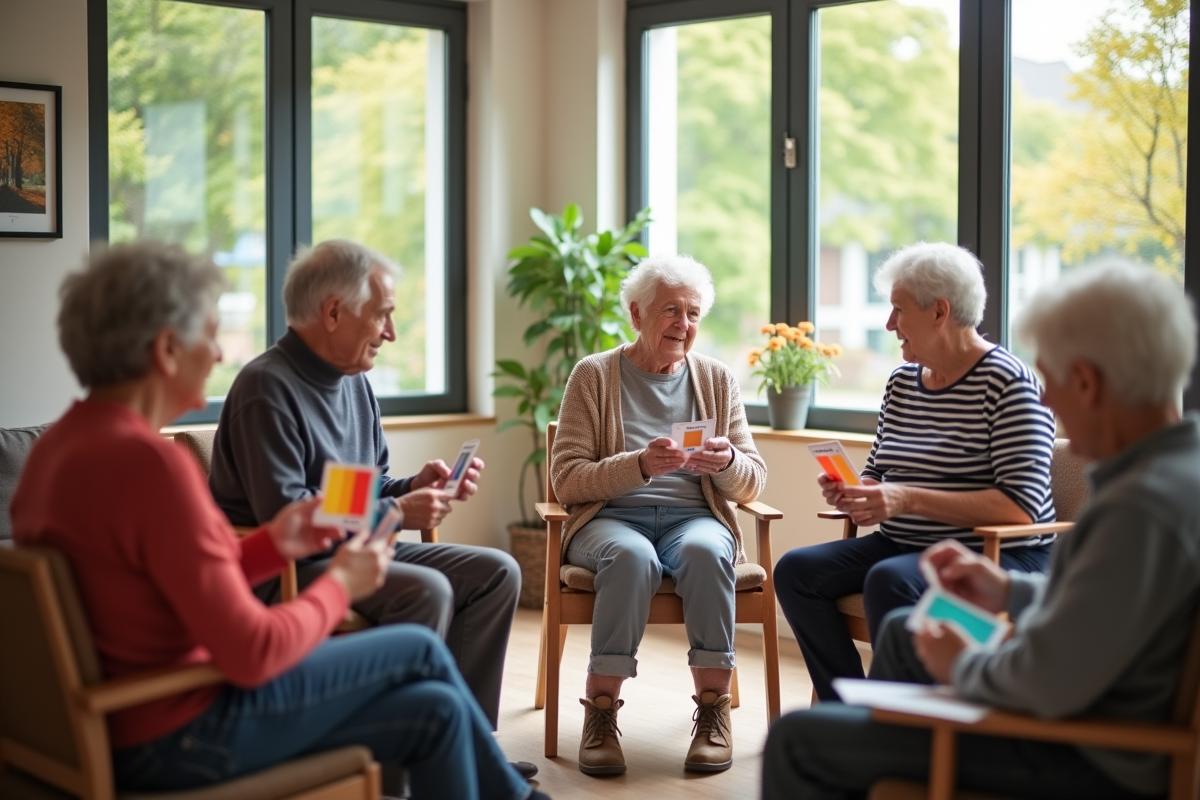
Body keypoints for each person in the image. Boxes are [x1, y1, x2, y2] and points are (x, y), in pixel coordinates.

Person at [10, 241, 542, 800]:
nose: (218, 354)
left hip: (136, 716)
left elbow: (178, 570)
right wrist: (340, 585)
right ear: (168, 348)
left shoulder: (57, 449)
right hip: (183, 730)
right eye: (210, 334)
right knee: (419, 650)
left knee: (434, 704)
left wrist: (276, 542)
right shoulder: (154, 465)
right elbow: (251, 652)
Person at [762, 263, 1200, 800]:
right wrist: (1008, 592)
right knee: (902, 628)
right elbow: (1103, 606)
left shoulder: (1141, 511)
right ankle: (866, 736)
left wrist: (966, 665)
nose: (1046, 404)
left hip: (1079, 750)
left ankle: (863, 751)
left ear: (1086, 381)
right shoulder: (1171, 473)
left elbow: (1053, 676)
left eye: (1053, 380)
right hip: (1074, 697)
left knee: (795, 740)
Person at [207, 240, 523, 746]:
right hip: (282, 569)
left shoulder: (354, 381)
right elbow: (289, 516)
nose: (391, 334)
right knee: (428, 589)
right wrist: (397, 509)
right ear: (334, 312)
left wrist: (414, 487)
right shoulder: (265, 388)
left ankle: (467, 745)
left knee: (497, 573)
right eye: (382, 316)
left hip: (354, 550)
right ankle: (395, 768)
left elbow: (363, 488)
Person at [773, 242, 1056, 701]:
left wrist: (904, 499)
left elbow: (1021, 510)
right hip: (906, 541)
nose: (889, 325)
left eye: (898, 310)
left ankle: (900, 722)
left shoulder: (1008, 383)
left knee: (891, 578)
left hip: (994, 553)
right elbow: (880, 471)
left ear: (940, 312)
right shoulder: (902, 383)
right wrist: (858, 493)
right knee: (796, 571)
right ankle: (846, 707)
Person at [552, 254, 767, 776]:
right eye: (671, 310)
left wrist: (728, 463)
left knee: (707, 549)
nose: (684, 324)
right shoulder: (593, 376)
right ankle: (600, 712)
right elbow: (567, 480)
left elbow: (755, 478)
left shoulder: (716, 379)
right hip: (609, 521)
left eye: (693, 313)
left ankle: (714, 710)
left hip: (691, 519)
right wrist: (640, 465)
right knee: (630, 557)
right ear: (636, 313)